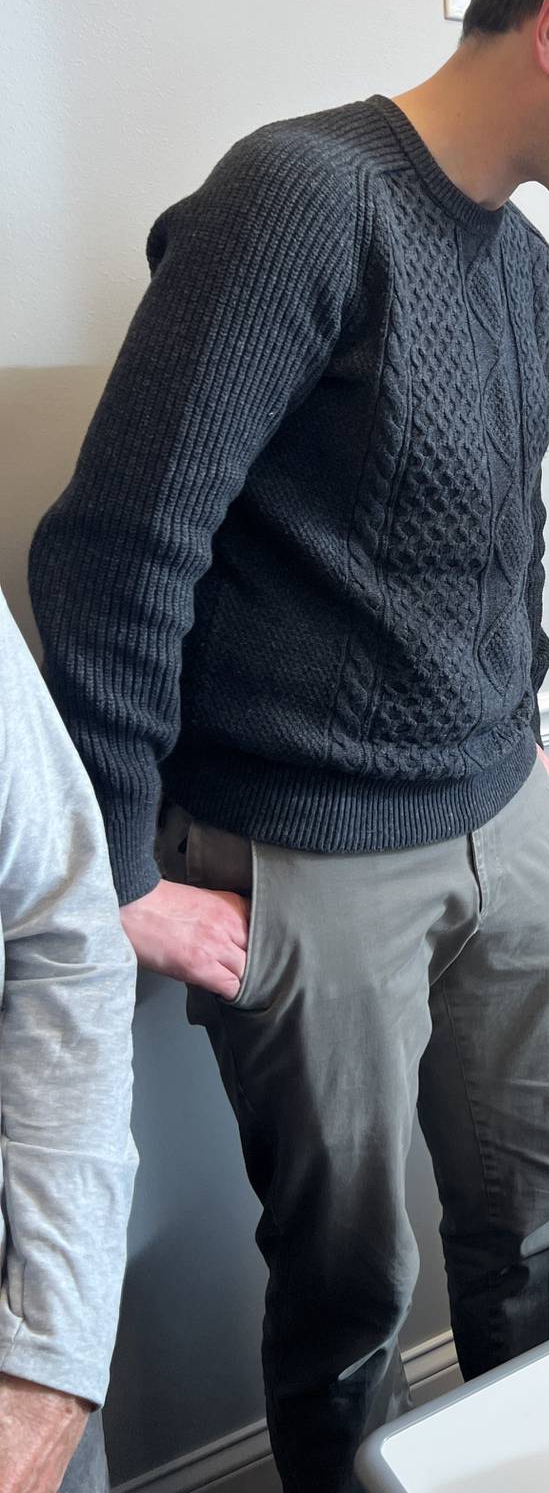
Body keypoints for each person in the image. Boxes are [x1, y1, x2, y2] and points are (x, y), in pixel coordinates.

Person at [28, 0, 549, 1492]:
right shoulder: (297, 199)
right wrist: (119, 870)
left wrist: (524, 716)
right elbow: (119, 545)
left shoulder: (523, 269)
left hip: (505, 819)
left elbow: (506, 527)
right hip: (313, 855)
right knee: (351, 1296)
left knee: (526, 1242)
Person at [0, 592, 137, 1493]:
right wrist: (144, 874)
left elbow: (61, 933)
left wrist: (50, 1370)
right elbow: (106, 558)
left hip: (18, 1358)